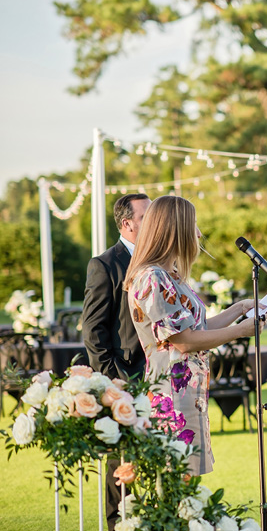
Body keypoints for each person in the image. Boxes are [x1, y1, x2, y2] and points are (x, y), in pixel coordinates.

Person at [124, 195, 266, 476]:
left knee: (188, 484)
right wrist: (241, 331)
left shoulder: (170, 275)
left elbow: (197, 328)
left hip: (190, 393)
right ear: (174, 230)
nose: (199, 233)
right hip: (172, 397)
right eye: (194, 225)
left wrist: (239, 309)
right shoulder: (152, 278)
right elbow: (185, 341)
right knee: (179, 483)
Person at [82, 192, 151, 530]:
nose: (154, 220)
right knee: (123, 470)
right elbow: (93, 332)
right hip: (123, 380)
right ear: (128, 224)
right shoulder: (105, 264)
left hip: (159, 378)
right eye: (146, 215)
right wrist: (114, 381)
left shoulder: (159, 260)